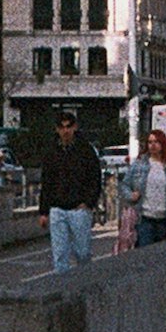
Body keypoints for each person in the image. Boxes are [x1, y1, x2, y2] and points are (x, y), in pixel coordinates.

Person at [37, 111, 102, 273]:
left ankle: (84, 282)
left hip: (79, 209)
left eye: (68, 127)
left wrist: (88, 203)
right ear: (57, 129)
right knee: (59, 255)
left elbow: (95, 178)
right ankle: (62, 285)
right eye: (62, 127)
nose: (65, 131)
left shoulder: (85, 150)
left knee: (82, 252)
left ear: (75, 127)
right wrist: (44, 211)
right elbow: (47, 182)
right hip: (57, 208)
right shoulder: (51, 152)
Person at [120, 128, 166, 245]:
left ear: (163, 144)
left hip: (165, 220)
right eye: (150, 142)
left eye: (156, 142)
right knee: (146, 252)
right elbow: (124, 185)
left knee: (163, 253)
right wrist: (131, 195)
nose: (153, 145)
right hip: (144, 219)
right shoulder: (139, 165)